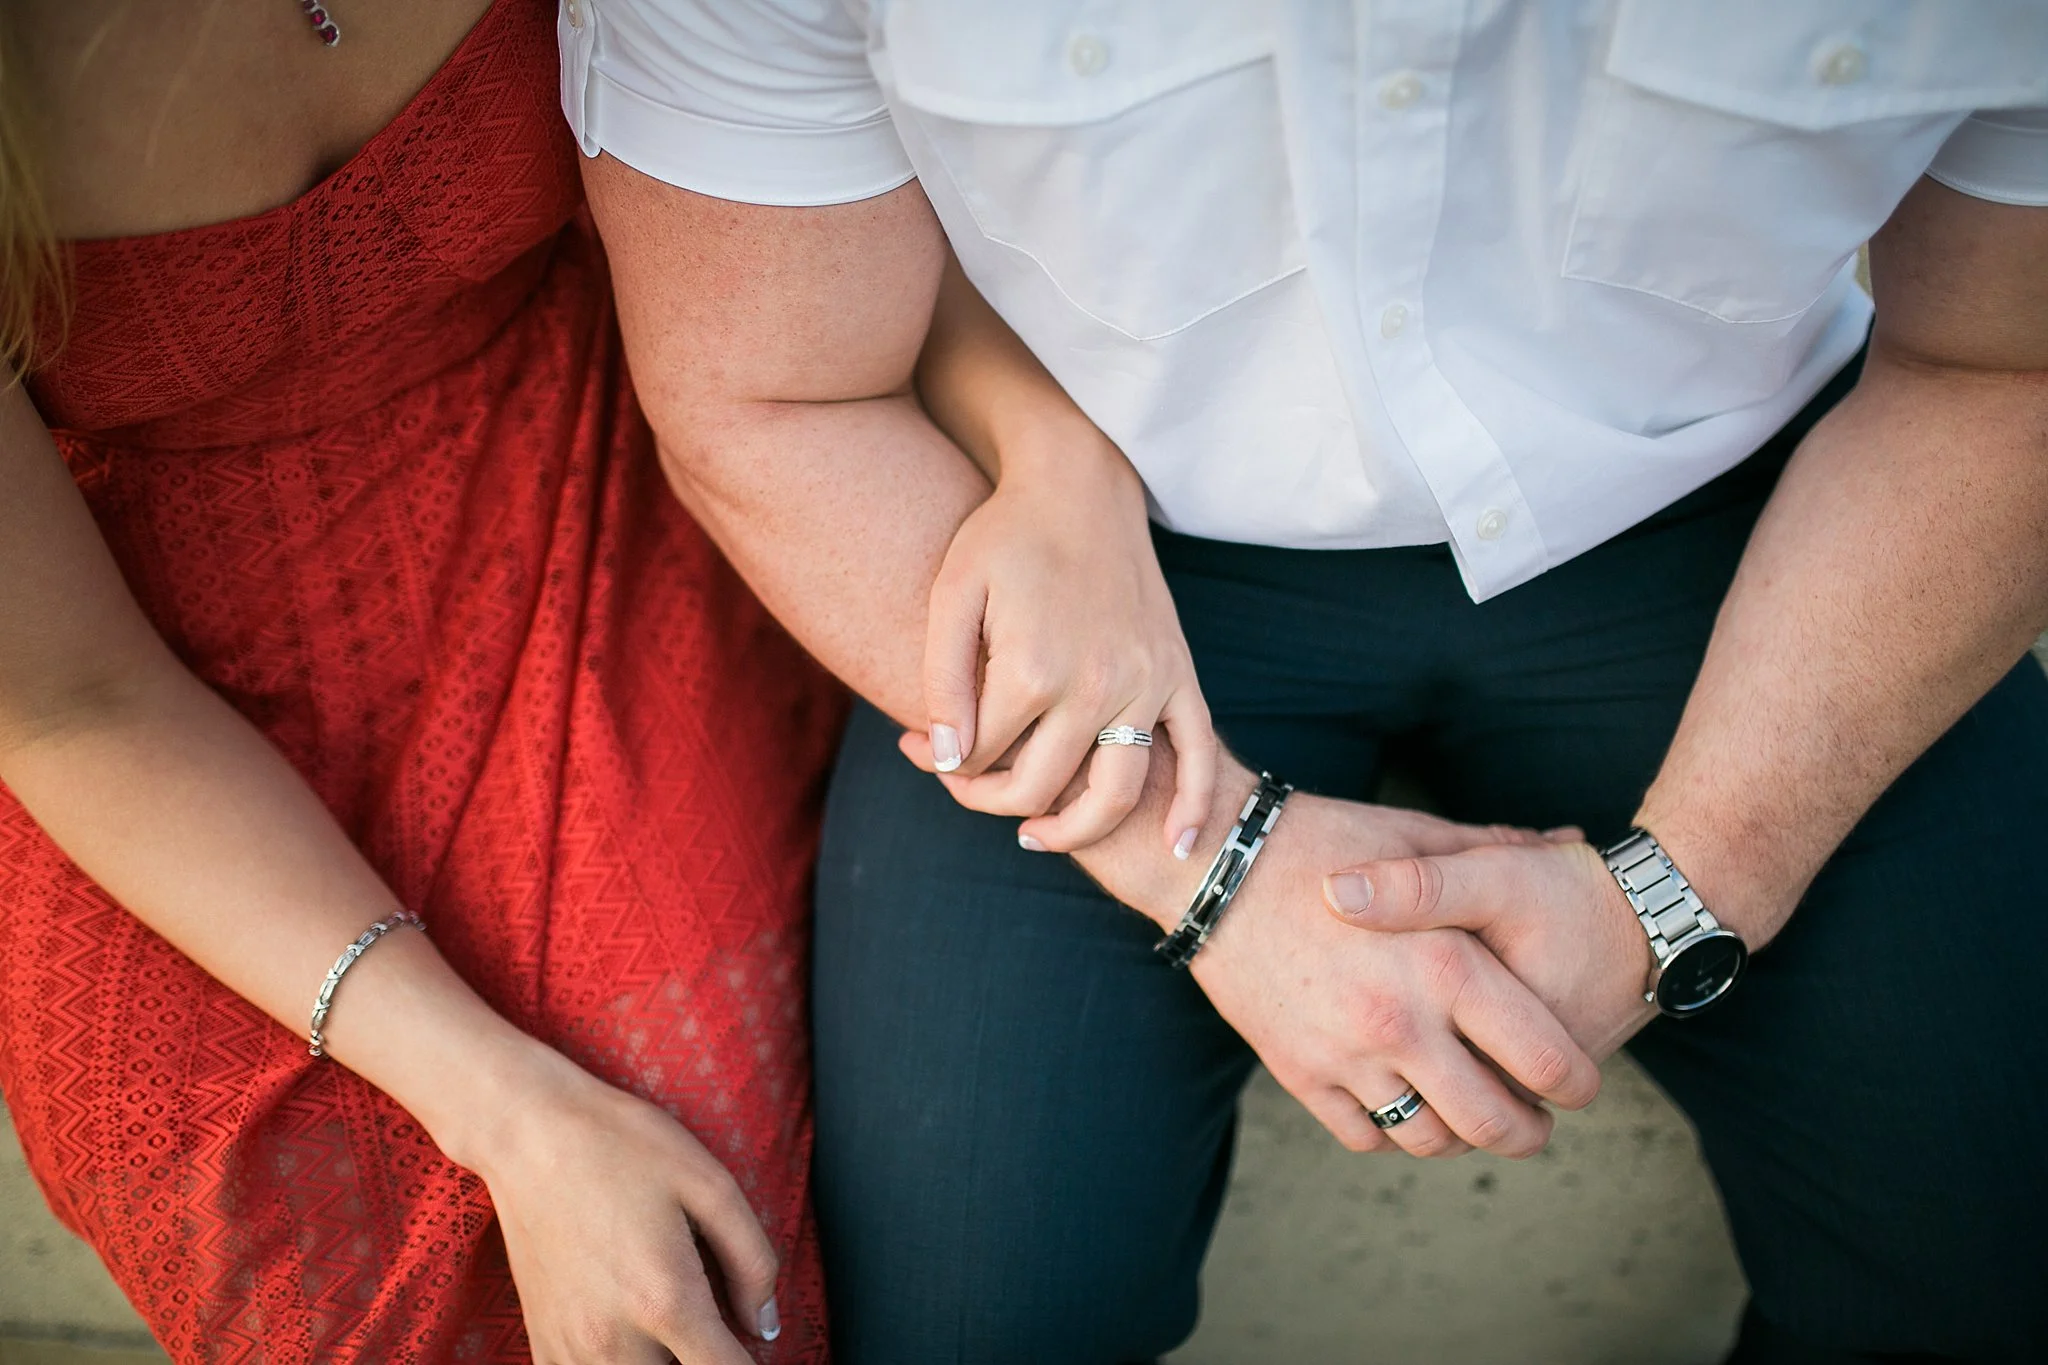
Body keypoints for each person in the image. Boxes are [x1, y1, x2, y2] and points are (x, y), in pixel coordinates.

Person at [563, 3, 2048, 1363]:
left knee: (1993, 1277)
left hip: (1740, 513)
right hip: (1098, 569)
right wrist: (1212, 872)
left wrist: (1688, 886)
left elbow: (2006, 365)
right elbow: (768, 390)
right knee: (973, 1326)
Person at [0, 0, 1184, 1358]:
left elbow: (807, 166)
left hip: (606, 501)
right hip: (151, 724)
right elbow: (62, 699)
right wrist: (506, 1110)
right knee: (332, 1269)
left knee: (708, 1200)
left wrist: (1056, 452)